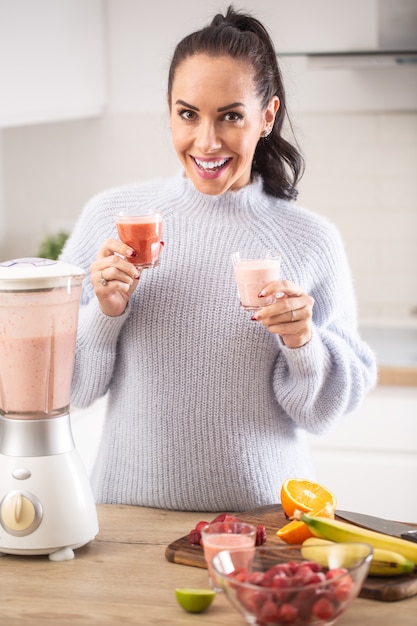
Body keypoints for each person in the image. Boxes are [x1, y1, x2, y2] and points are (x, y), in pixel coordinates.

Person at [60, 6, 377, 511]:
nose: (206, 142)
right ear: (168, 111)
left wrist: (302, 340)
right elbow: (74, 389)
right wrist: (106, 312)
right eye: (188, 114)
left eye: (230, 116)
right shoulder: (111, 220)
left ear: (267, 116)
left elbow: (322, 413)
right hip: (128, 517)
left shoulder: (310, 240)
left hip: (266, 520)